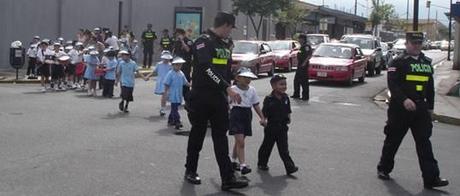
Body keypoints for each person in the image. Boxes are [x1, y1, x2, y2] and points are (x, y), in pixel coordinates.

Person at [184, 12, 248, 191]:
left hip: (219, 97)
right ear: (225, 25)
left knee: (220, 137)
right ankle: (190, 170)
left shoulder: (224, 44)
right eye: (230, 29)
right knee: (198, 134)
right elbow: (206, 68)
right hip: (201, 96)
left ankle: (227, 178)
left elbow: (224, 69)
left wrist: (234, 78)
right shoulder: (203, 41)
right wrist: (226, 86)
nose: (230, 33)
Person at [376, 31, 449, 189]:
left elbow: (429, 88)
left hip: (420, 108)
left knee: (424, 143)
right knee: (393, 140)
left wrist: (430, 108)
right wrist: (404, 100)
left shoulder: (426, 62)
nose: (416, 46)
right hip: (400, 108)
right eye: (413, 43)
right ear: (406, 44)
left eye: (419, 43)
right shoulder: (398, 62)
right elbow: (393, 85)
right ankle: (384, 168)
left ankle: (431, 178)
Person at [257, 74, 298, 175]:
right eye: (281, 84)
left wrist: (289, 118)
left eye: (285, 84)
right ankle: (262, 163)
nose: (284, 86)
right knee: (267, 146)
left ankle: (290, 167)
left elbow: (288, 110)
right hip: (271, 127)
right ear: (274, 86)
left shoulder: (285, 98)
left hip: (282, 127)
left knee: (284, 149)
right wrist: (263, 120)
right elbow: (264, 113)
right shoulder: (269, 99)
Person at [229, 67, 266, 175]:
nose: (247, 80)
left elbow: (255, 104)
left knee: (239, 141)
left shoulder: (252, 90)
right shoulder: (232, 89)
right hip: (236, 114)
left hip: (246, 115)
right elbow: (227, 103)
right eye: (245, 77)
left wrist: (262, 117)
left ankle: (232, 161)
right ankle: (243, 165)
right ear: (238, 78)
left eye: (249, 78)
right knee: (241, 142)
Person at [163, 57, 191, 129]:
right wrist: (165, 93)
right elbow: (166, 84)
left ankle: (170, 120)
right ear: (173, 65)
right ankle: (177, 121)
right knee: (174, 108)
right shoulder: (170, 73)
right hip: (172, 94)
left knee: (174, 108)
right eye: (177, 65)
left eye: (180, 65)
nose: (179, 66)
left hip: (179, 94)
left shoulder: (181, 73)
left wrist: (191, 85)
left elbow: (185, 82)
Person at [144, 51, 173, 116]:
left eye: (167, 59)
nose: (166, 60)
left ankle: (165, 107)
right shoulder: (159, 64)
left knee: (167, 96)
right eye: (165, 58)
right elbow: (154, 72)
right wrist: (148, 76)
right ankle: (162, 109)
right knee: (164, 95)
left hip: (169, 82)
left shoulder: (171, 65)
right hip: (162, 82)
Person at [172, 28, 194, 98]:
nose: (177, 36)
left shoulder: (189, 41)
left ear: (183, 34)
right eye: (176, 35)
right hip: (177, 65)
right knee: (177, 80)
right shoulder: (176, 42)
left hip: (186, 65)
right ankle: (178, 97)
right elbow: (175, 53)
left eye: (178, 34)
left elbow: (188, 50)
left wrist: (182, 41)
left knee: (185, 80)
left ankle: (186, 97)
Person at [291, 33, 312, 101]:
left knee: (304, 81)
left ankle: (305, 96)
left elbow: (308, 55)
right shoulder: (301, 46)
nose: (299, 40)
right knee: (296, 81)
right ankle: (296, 94)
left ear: (303, 39)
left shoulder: (306, 46)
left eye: (300, 38)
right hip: (299, 65)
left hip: (303, 66)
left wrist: (304, 63)